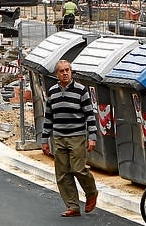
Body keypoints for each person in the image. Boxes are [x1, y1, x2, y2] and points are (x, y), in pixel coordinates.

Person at [41, 59, 98, 217]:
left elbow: (89, 116)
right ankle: (73, 205)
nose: (65, 73)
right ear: (56, 74)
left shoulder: (81, 90)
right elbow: (48, 117)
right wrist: (45, 140)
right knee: (63, 173)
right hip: (59, 138)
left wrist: (92, 137)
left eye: (67, 70)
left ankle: (91, 192)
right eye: (62, 71)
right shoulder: (52, 92)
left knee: (78, 169)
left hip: (77, 136)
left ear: (71, 72)